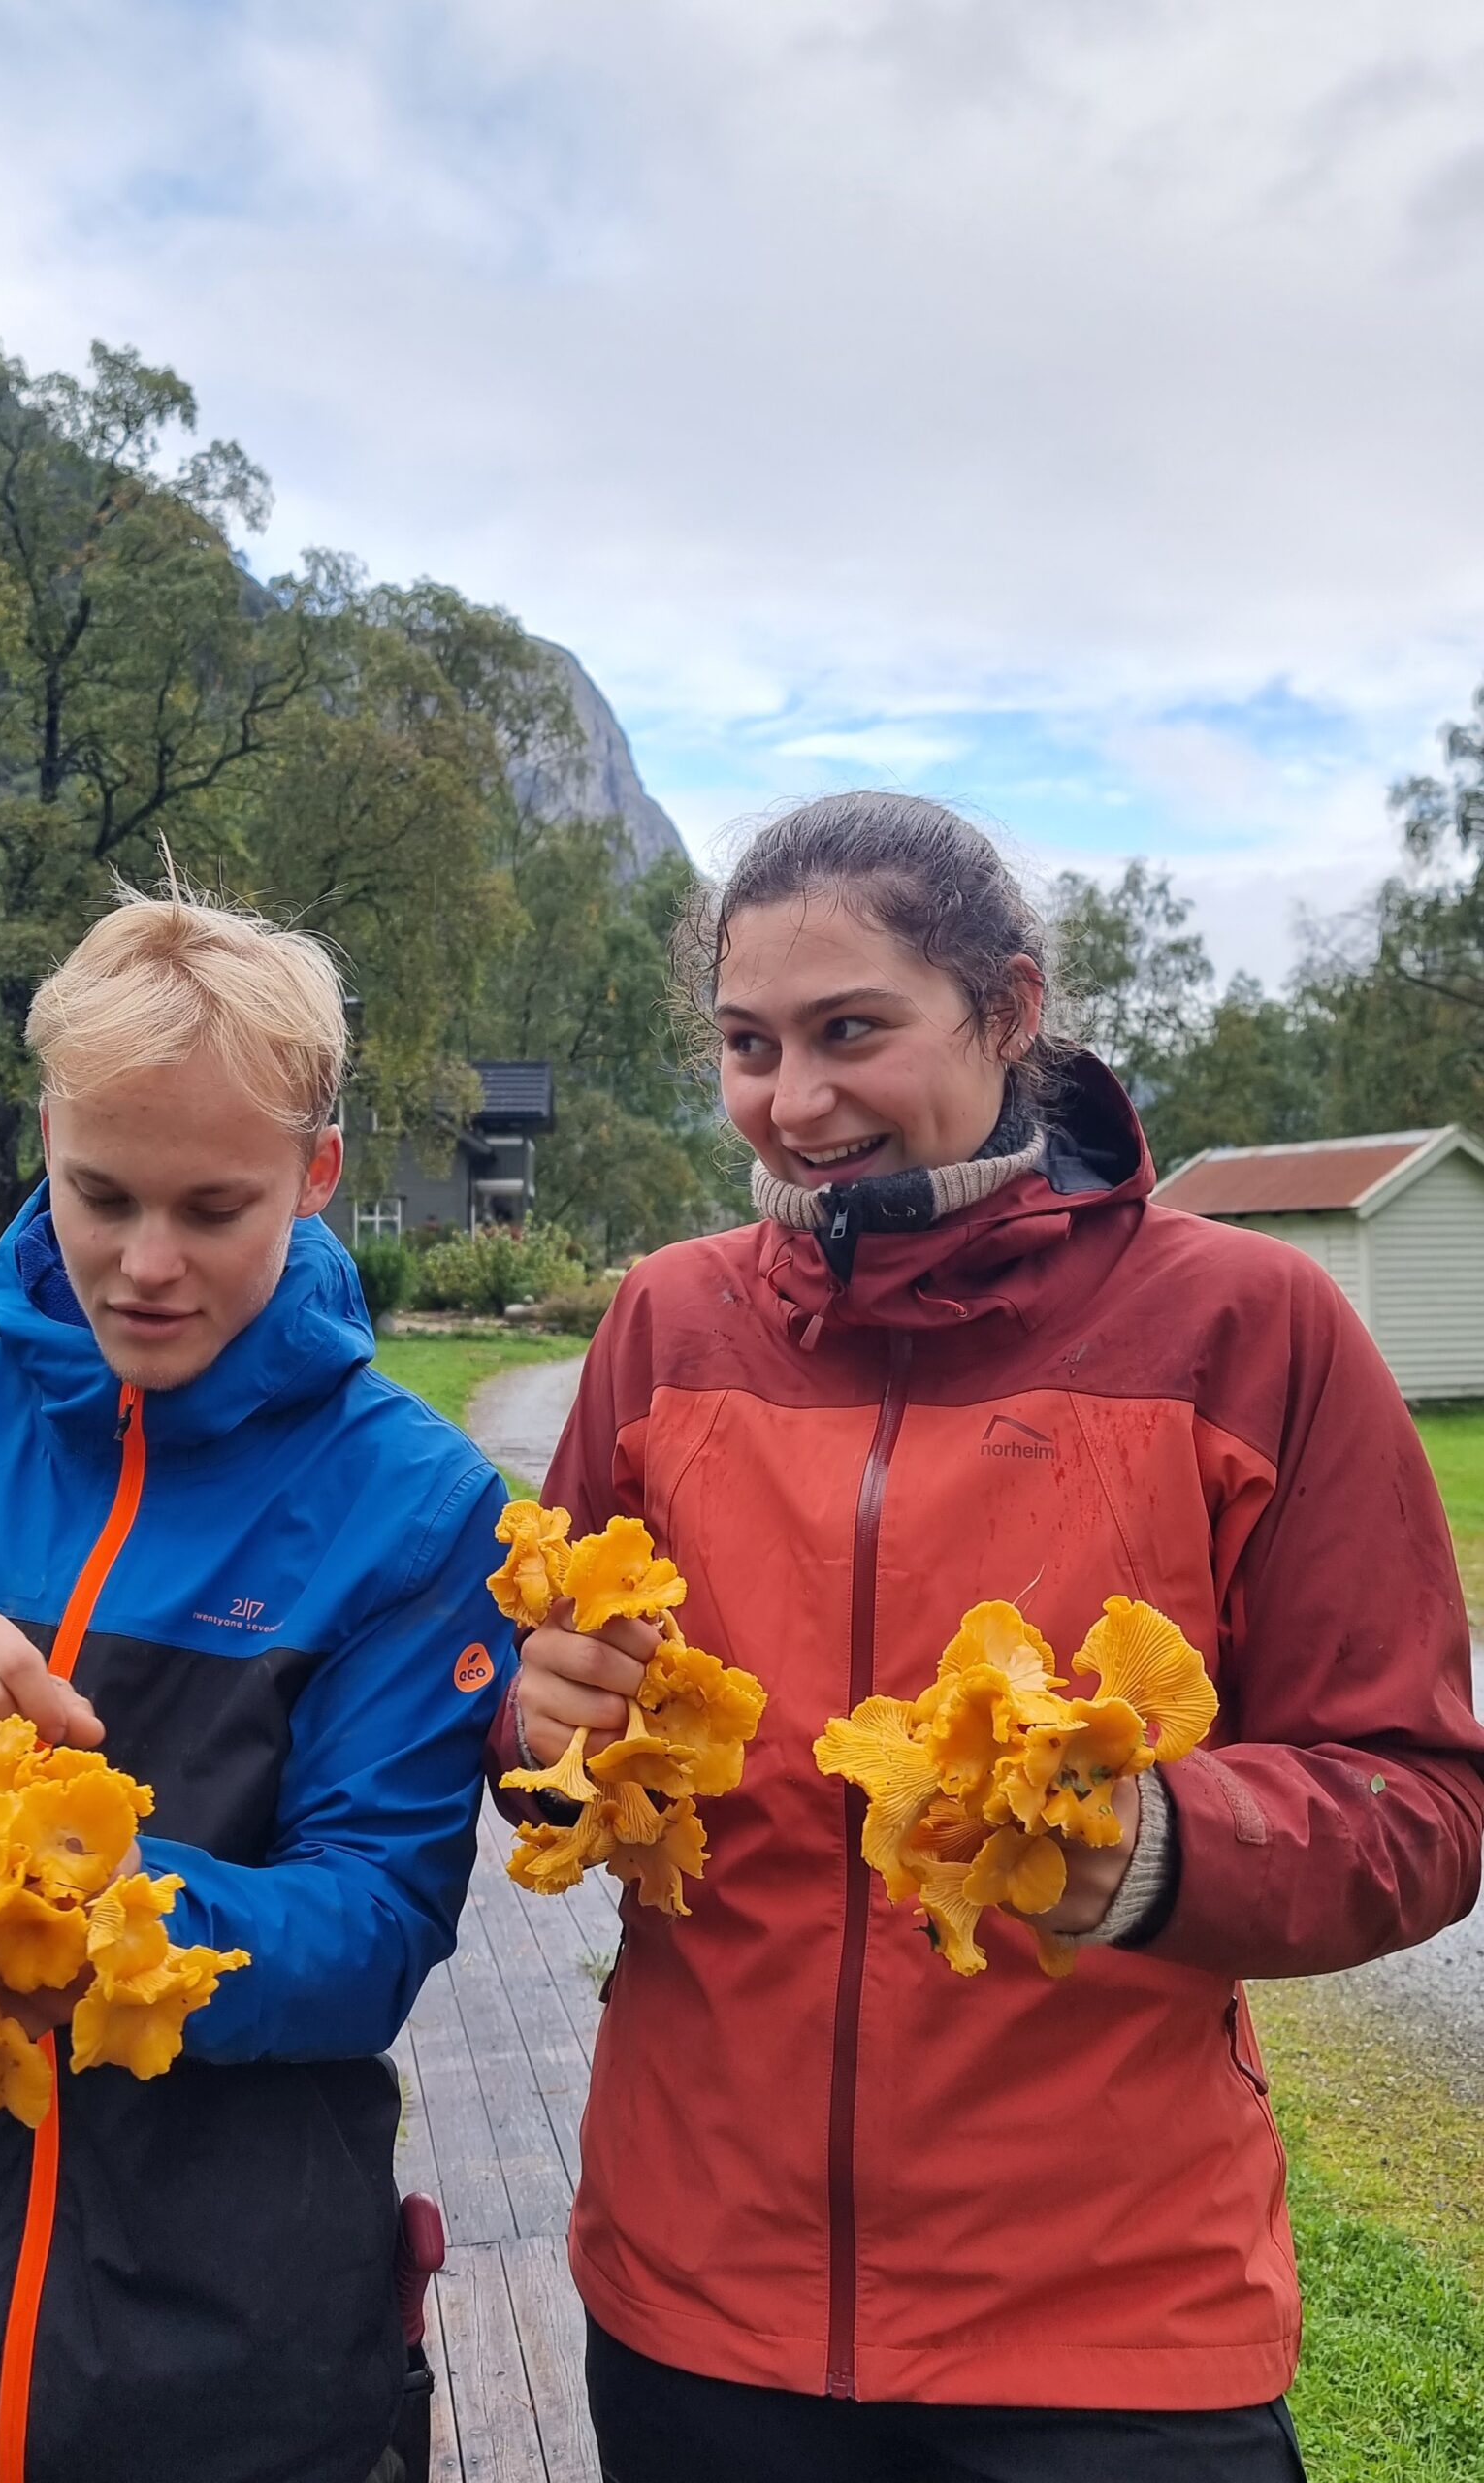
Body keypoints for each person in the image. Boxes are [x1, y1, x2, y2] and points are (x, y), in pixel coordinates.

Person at [503, 791, 1484, 2483]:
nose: (793, 1102)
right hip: (696, 2309)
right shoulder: (670, 1322)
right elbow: (543, 1736)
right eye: (748, 1043)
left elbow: (1422, 1801)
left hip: (1111, 2337)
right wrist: (535, 1734)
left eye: (850, 1032)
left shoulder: (1251, 1329)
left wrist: (1166, 1848)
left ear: (1011, 1012)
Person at [0, 886, 510, 2483]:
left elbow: (377, 1929)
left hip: (238, 2375)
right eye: (99, 1192)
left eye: (213, 1208)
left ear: (316, 1177)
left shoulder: (413, 1504)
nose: (145, 1265)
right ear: (46, 1137)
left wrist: (112, 1922)